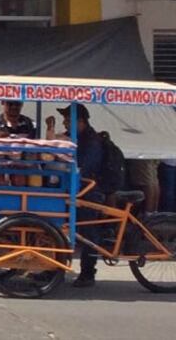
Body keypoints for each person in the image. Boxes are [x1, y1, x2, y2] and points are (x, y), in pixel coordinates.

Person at [45, 103, 105, 288]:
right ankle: (55, 268)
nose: (65, 122)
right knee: (61, 229)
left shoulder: (92, 142)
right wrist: (50, 130)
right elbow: (54, 147)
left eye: (68, 119)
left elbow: (83, 169)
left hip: (90, 193)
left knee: (88, 234)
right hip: (74, 191)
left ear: (80, 121)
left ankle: (88, 273)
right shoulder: (74, 137)